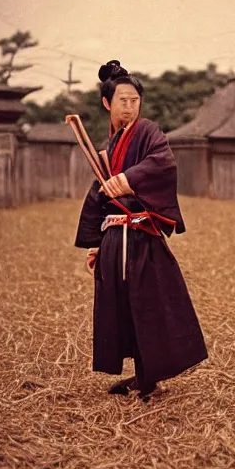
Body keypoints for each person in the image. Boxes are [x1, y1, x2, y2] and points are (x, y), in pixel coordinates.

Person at [74, 60, 208, 402]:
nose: (130, 106)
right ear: (107, 103)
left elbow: (163, 162)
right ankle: (141, 376)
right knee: (121, 308)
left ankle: (149, 379)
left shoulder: (148, 131)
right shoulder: (111, 144)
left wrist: (128, 179)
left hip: (140, 237)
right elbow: (98, 191)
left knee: (149, 305)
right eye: (122, 100)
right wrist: (94, 244)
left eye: (135, 100)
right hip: (114, 238)